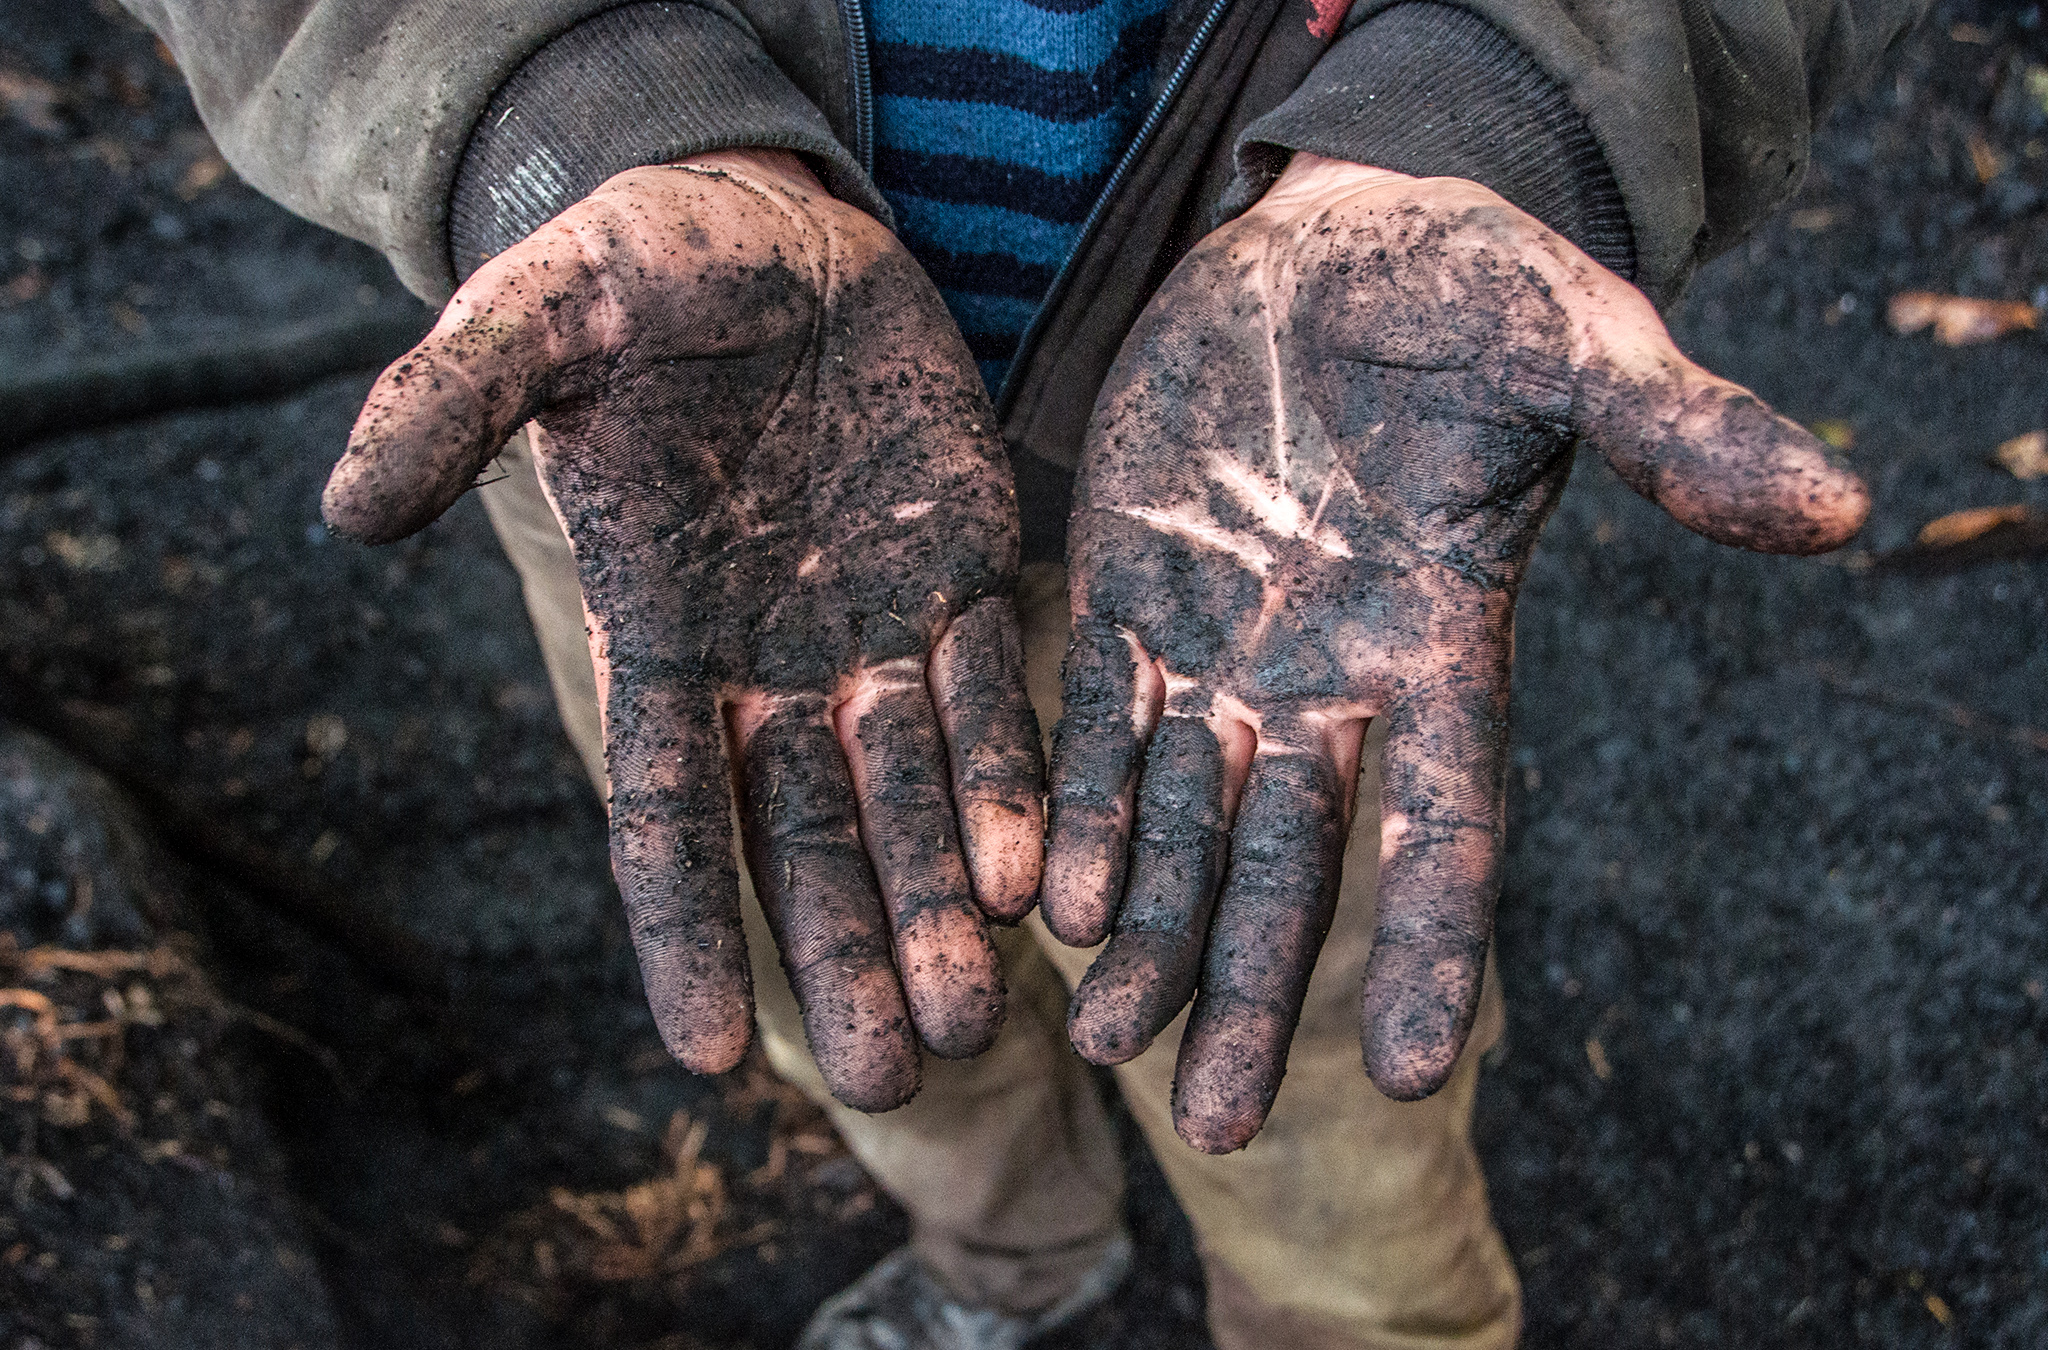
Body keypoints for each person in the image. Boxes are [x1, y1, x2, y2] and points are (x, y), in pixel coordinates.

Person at [126, 0, 1926, 1345]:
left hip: (1291, 512)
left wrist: (1492, 106)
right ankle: (1012, 1256)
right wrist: (575, 106)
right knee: (818, 935)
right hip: (662, 426)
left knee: (1299, 1037)